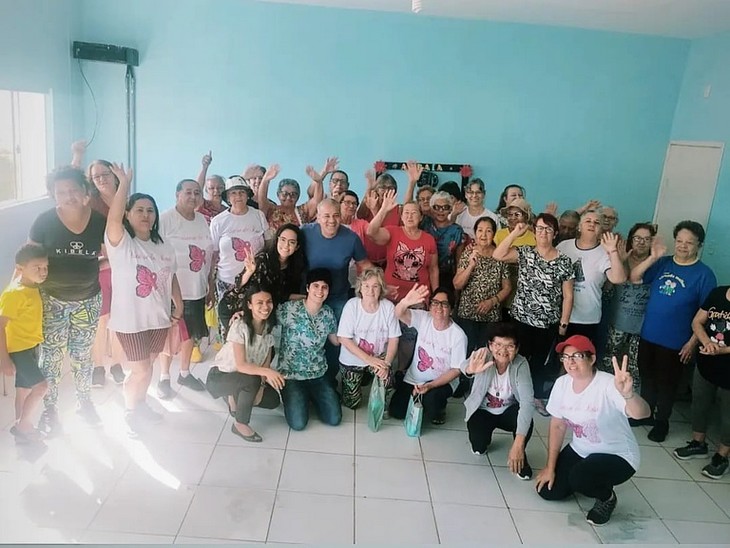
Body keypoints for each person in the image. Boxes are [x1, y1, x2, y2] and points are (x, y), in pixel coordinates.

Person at [535, 335, 651, 526]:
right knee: (548, 491)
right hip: (582, 449)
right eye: (566, 357)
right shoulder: (562, 383)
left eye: (578, 356)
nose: (570, 362)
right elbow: (558, 425)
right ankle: (588, 477)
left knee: (580, 477)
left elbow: (642, 414)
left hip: (618, 455)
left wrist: (628, 395)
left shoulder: (609, 384)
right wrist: (550, 467)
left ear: (592, 359)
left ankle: (607, 498)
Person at [104, 163, 183, 437]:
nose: (146, 215)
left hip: (158, 318)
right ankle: (130, 411)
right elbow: (113, 219)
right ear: (128, 214)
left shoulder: (163, 245)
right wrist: (124, 183)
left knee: (147, 368)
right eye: (139, 210)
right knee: (140, 370)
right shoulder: (122, 243)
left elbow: (170, 275)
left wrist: (179, 302)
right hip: (131, 321)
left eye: (150, 210)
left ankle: (140, 405)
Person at [29, 165, 106, 435]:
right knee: (51, 357)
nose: (68, 196)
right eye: (61, 192)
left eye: (73, 190)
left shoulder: (99, 221)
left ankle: (84, 402)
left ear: (85, 191)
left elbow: (112, 254)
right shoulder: (44, 221)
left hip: (88, 299)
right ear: (53, 195)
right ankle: (50, 409)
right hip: (52, 299)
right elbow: (30, 259)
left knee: (82, 355)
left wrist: (93, 266)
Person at [630, 220, 717, 442]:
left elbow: (706, 316)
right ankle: (645, 414)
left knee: (667, 384)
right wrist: (653, 257)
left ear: (699, 245)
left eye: (689, 243)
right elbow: (635, 277)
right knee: (647, 377)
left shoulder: (704, 275)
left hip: (676, 341)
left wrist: (692, 343)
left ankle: (662, 422)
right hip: (649, 334)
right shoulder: (663, 263)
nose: (683, 246)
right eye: (679, 241)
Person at [493, 214, 574, 412]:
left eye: (548, 229)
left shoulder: (564, 261)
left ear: (555, 233)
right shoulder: (525, 252)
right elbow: (498, 254)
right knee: (515, 358)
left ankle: (535, 397)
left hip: (547, 322)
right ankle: (511, 394)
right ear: (534, 231)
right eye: (539, 228)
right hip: (520, 318)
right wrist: (515, 233)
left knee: (539, 362)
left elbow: (568, 296)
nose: (543, 233)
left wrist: (563, 324)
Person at [157, 179, 215, 398]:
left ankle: (184, 373)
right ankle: (164, 377)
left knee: (190, 334)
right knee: (169, 336)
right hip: (173, 292)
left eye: (197, 193)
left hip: (197, 288)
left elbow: (208, 255)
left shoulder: (201, 220)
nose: (193, 196)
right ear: (177, 194)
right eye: (188, 192)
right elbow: (156, 254)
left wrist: (209, 286)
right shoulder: (165, 219)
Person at [206, 284, 283, 443]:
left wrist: (261, 387)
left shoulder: (268, 329)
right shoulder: (239, 326)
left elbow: (265, 365)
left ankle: (234, 395)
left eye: (268, 302)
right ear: (249, 305)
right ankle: (240, 424)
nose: (265, 307)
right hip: (220, 377)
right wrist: (265, 374)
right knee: (252, 380)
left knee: (272, 400)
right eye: (259, 302)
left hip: (243, 378)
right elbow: (241, 365)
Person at [461, 323, 535, 479]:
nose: (503, 350)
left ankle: (520, 457)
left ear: (517, 348)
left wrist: (518, 445)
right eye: (498, 344)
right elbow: (464, 366)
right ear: (490, 345)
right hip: (483, 411)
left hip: (508, 412)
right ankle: (483, 438)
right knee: (479, 448)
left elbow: (527, 403)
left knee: (525, 418)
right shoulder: (483, 354)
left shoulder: (521, 364)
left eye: (509, 346)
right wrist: (470, 370)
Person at [672, 285, 730, 479]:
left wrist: (721, 350)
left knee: (728, 414)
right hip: (706, 362)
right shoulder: (718, 293)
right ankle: (698, 443)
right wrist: (707, 343)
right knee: (699, 403)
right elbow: (697, 321)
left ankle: (722, 457)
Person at [390, 284, 467, 425]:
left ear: (451, 310)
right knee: (396, 411)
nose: (439, 308)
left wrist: (430, 385)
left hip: (441, 382)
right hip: (415, 378)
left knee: (431, 405)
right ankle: (420, 399)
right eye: (435, 303)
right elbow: (398, 313)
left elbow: (456, 370)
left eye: (444, 304)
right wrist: (406, 302)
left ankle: (439, 408)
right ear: (430, 306)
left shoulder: (458, 335)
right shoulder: (423, 318)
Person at [276, 269, 341, 431]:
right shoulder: (289, 309)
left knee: (334, 419)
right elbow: (264, 316)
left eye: (324, 287)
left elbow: (336, 341)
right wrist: (241, 315)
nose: (320, 291)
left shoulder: (328, 313)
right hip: (291, 374)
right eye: (316, 286)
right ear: (307, 288)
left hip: (317, 373)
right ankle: (299, 395)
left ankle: (311, 395)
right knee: (298, 424)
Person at [218, 223, 307, 335]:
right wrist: (249, 272)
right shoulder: (263, 259)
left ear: (297, 246)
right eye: (283, 240)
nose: (286, 245)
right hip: (235, 307)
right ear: (277, 240)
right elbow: (239, 284)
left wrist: (308, 298)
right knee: (239, 343)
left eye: (292, 242)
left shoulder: (295, 267)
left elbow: (282, 295)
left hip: (259, 311)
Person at [0, 244, 49, 443]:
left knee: (24, 390)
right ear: (20, 268)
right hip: (19, 350)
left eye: (45, 267)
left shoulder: (33, 286)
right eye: (37, 267)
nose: (43, 272)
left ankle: (22, 430)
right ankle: (23, 426)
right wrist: (4, 359)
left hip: (32, 347)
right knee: (41, 387)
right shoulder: (14, 293)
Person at [600, 223, 656, 394]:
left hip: (641, 327)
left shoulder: (657, 264)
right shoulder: (620, 258)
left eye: (647, 239)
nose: (641, 242)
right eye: (638, 238)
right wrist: (621, 260)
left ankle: (630, 399)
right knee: (609, 360)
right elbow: (607, 289)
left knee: (635, 365)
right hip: (616, 322)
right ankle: (607, 394)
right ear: (631, 239)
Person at [86, 158, 126, 387]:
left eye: (105, 174)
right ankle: (98, 367)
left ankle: (117, 364)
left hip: (123, 271)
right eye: (96, 176)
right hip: (100, 270)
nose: (101, 179)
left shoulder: (127, 201)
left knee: (119, 319)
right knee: (101, 321)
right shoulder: (91, 205)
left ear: (114, 176)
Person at [556, 210, 626, 340]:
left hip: (587, 319)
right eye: (588, 221)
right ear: (579, 226)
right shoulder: (563, 246)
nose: (592, 224)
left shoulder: (604, 252)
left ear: (601, 229)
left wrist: (613, 251)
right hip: (559, 315)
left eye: (596, 222)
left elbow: (618, 279)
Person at [337, 268, 401, 410]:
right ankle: (360, 378)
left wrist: (387, 364)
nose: (370, 291)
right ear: (360, 288)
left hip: (378, 356)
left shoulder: (388, 307)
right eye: (366, 286)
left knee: (387, 378)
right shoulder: (352, 306)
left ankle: (374, 384)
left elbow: (394, 339)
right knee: (352, 404)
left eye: (375, 286)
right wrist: (368, 360)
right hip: (353, 359)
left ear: (381, 289)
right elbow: (344, 339)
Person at [301, 199, 373, 321]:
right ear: (318, 217)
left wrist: (382, 284)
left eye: (336, 215)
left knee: (339, 332)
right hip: (309, 296)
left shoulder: (351, 238)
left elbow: (365, 264)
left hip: (338, 297)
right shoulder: (305, 232)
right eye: (326, 216)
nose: (332, 220)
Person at [366, 190, 439, 302]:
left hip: (418, 297)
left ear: (421, 217)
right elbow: (371, 232)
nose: (410, 216)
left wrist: (436, 295)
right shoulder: (393, 232)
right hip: (391, 295)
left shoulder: (429, 239)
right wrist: (384, 209)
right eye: (406, 213)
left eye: (414, 213)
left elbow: (433, 269)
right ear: (401, 217)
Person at [210, 176, 270, 308]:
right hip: (227, 281)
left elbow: (269, 244)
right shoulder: (218, 221)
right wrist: (210, 283)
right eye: (233, 193)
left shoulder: (258, 215)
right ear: (227, 197)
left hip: (255, 281)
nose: (238, 196)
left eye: (242, 192)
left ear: (248, 195)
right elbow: (213, 255)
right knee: (228, 319)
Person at [454, 216, 511, 353]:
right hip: (467, 314)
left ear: (494, 234)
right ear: (475, 233)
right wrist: (470, 266)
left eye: (488, 231)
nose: (483, 235)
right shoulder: (468, 252)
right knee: (465, 352)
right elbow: (457, 284)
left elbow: (507, 287)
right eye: (480, 230)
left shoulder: (500, 256)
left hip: (491, 316)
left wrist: (492, 302)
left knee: (486, 353)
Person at [257, 159, 335, 231]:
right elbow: (261, 198)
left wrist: (319, 181)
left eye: (293, 194)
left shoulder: (303, 211)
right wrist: (265, 180)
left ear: (298, 196)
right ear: (278, 194)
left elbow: (316, 200)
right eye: (284, 194)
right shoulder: (270, 209)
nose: (288, 197)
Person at [423, 191, 465, 291]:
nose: (441, 211)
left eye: (445, 207)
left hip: (447, 277)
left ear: (450, 209)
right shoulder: (425, 225)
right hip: (423, 273)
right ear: (431, 208)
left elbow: (459, 261)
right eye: (436, 207)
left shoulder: (457, 230)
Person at [195, 151, 227, 224]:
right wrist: (204, 167)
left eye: (220, 187)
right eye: (212, 188)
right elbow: (197, 189)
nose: (216, 191)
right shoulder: (201, 205)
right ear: (206, 190)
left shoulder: (227, 211)